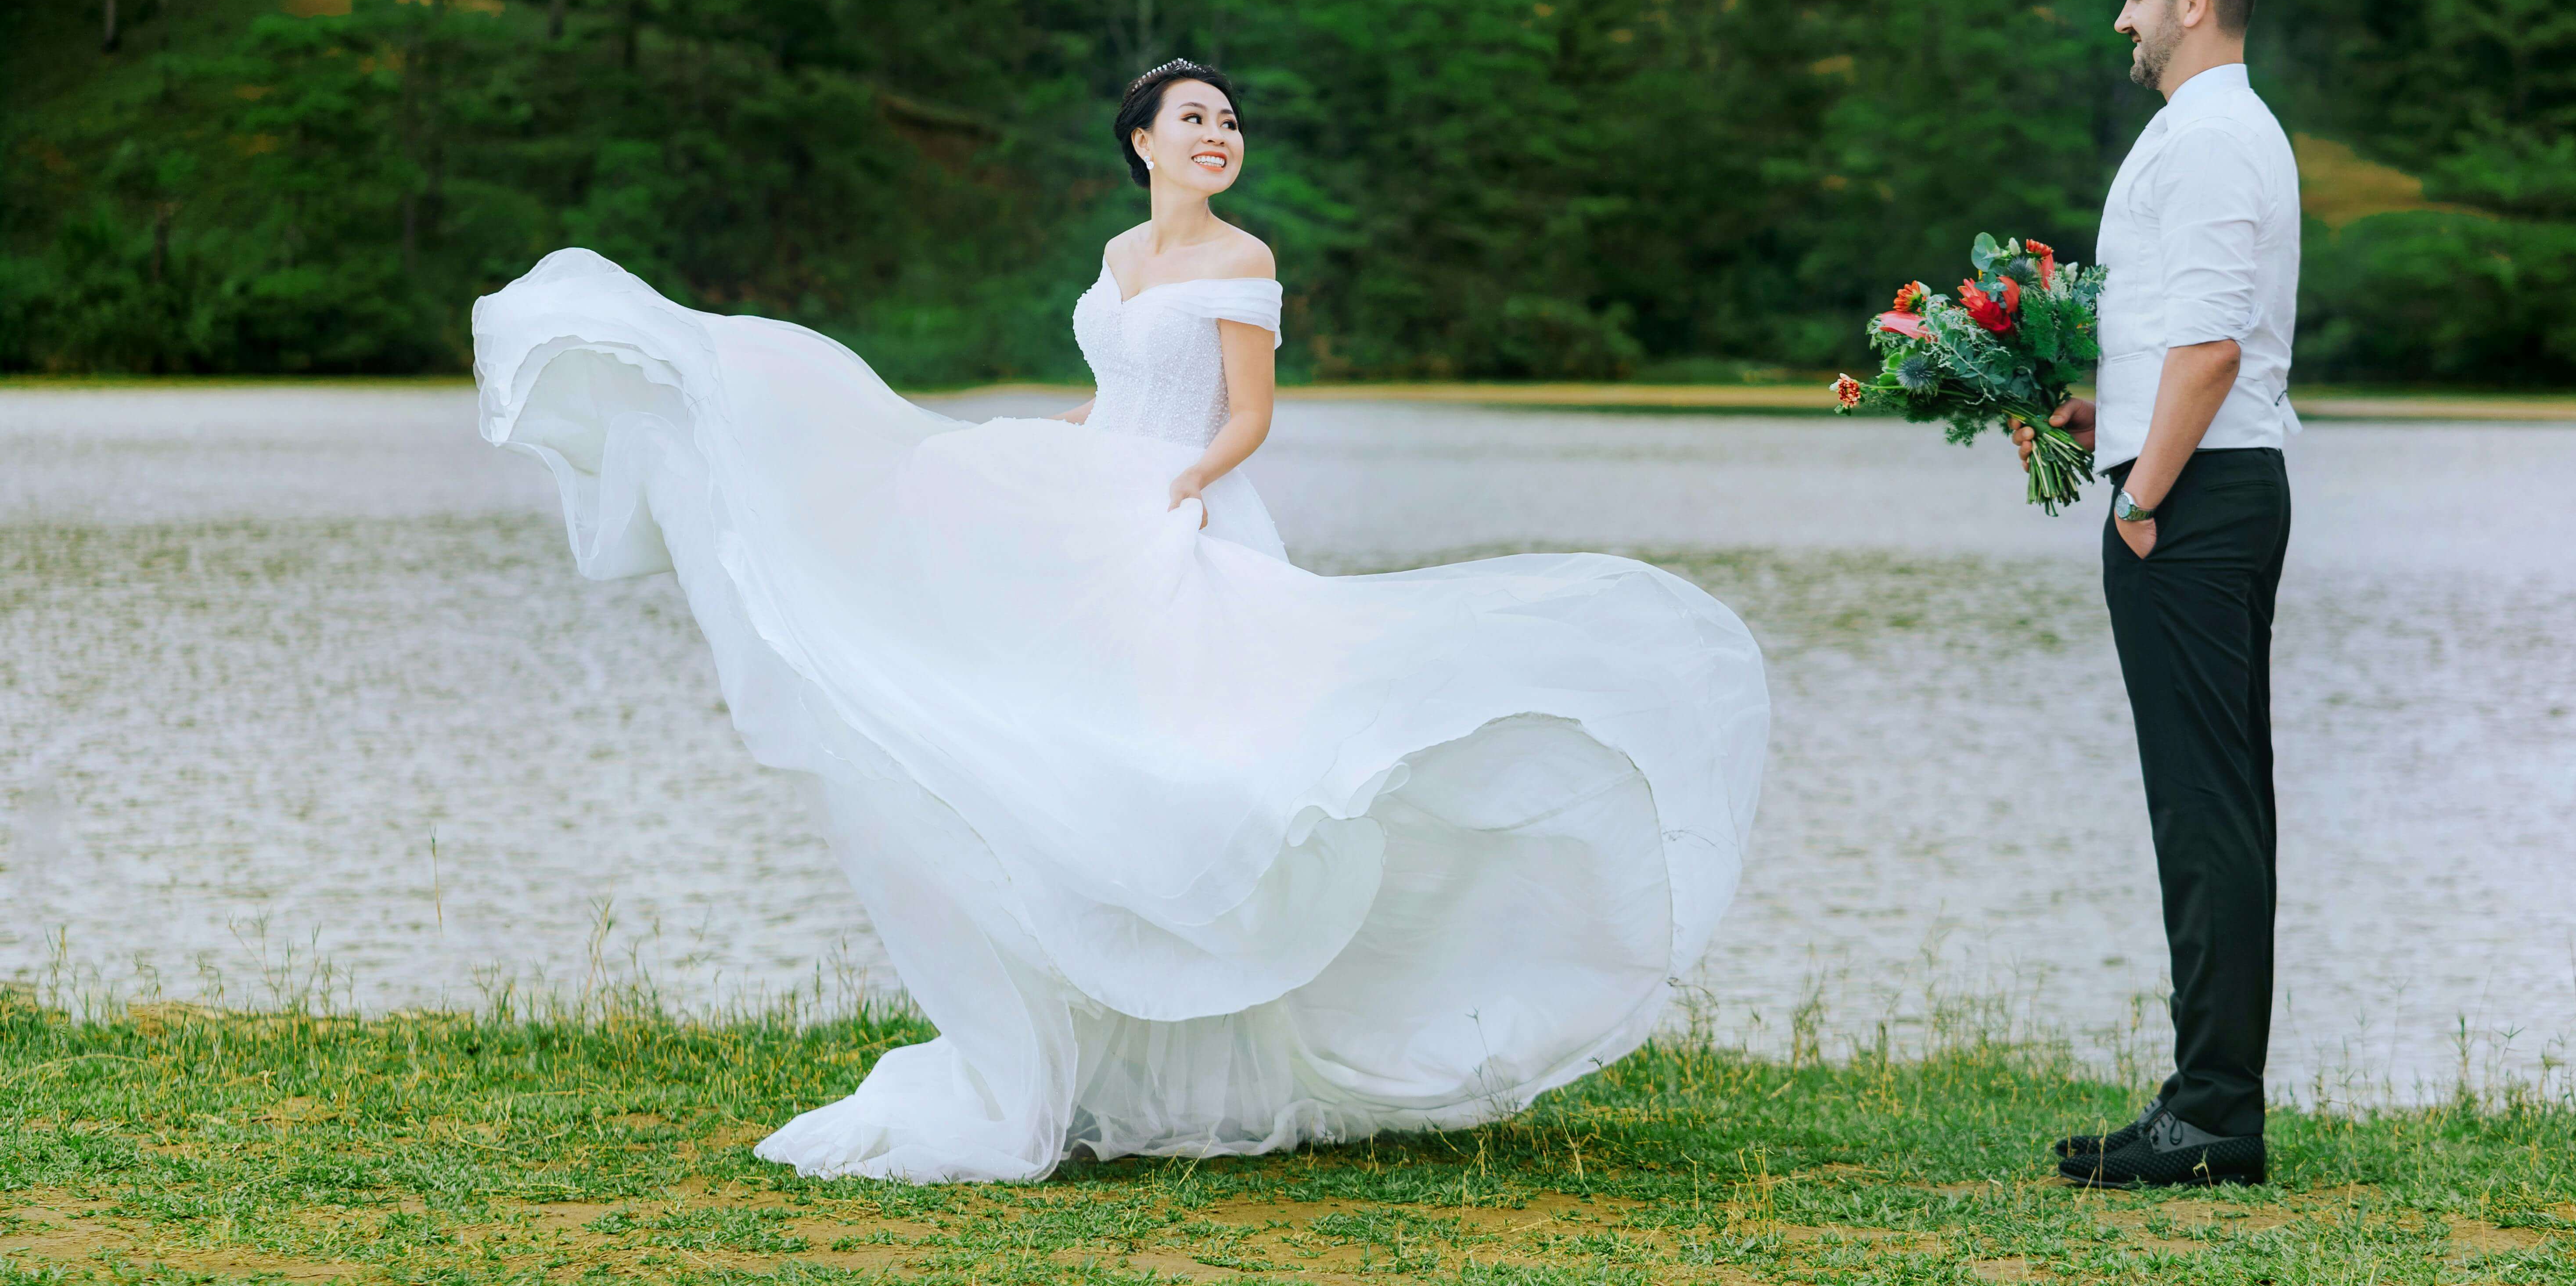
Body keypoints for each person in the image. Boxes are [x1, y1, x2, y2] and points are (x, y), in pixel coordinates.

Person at [473, 58, 1770, 1183]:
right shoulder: (1122, 257)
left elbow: (1246, 416)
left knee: (1198, 779)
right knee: (1058, 759)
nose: (1219, 137)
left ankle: (1219, 1055)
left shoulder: (1241, 258)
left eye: (1231, 124)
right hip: (1101, 495)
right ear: (1143, 144)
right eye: (1194, 120)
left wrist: (1180, 490)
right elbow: (1117, 390)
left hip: (1188, 514)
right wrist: (1058, 448)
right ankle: (1095, 1055)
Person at [2016, 0, 2300, 1188]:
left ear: (2194, 2)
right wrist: (2101, 417)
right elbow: (2177, 342)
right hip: (2199, 478)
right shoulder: (2199, 135)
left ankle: (2216, 1118)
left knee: (2207, 809)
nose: (2121, 16)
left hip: (2197, 499)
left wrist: (2142, 500)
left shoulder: (2217, 140)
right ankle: (2203, 1100)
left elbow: (2215, 350)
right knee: (2204, 804)